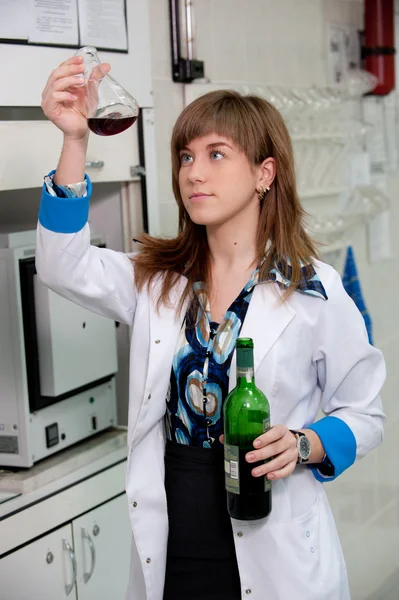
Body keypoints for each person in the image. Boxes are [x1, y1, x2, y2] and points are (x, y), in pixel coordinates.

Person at [37, 56, 386, 600]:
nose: (193, 172)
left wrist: (306, 443)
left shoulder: (311, 288)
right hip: (176, 536)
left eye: (216, 155)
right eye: (185, 156)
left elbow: (365, 413)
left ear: (264, 174)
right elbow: (62, 265)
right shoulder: (159, 282)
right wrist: (75, 141)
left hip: (276, 545)